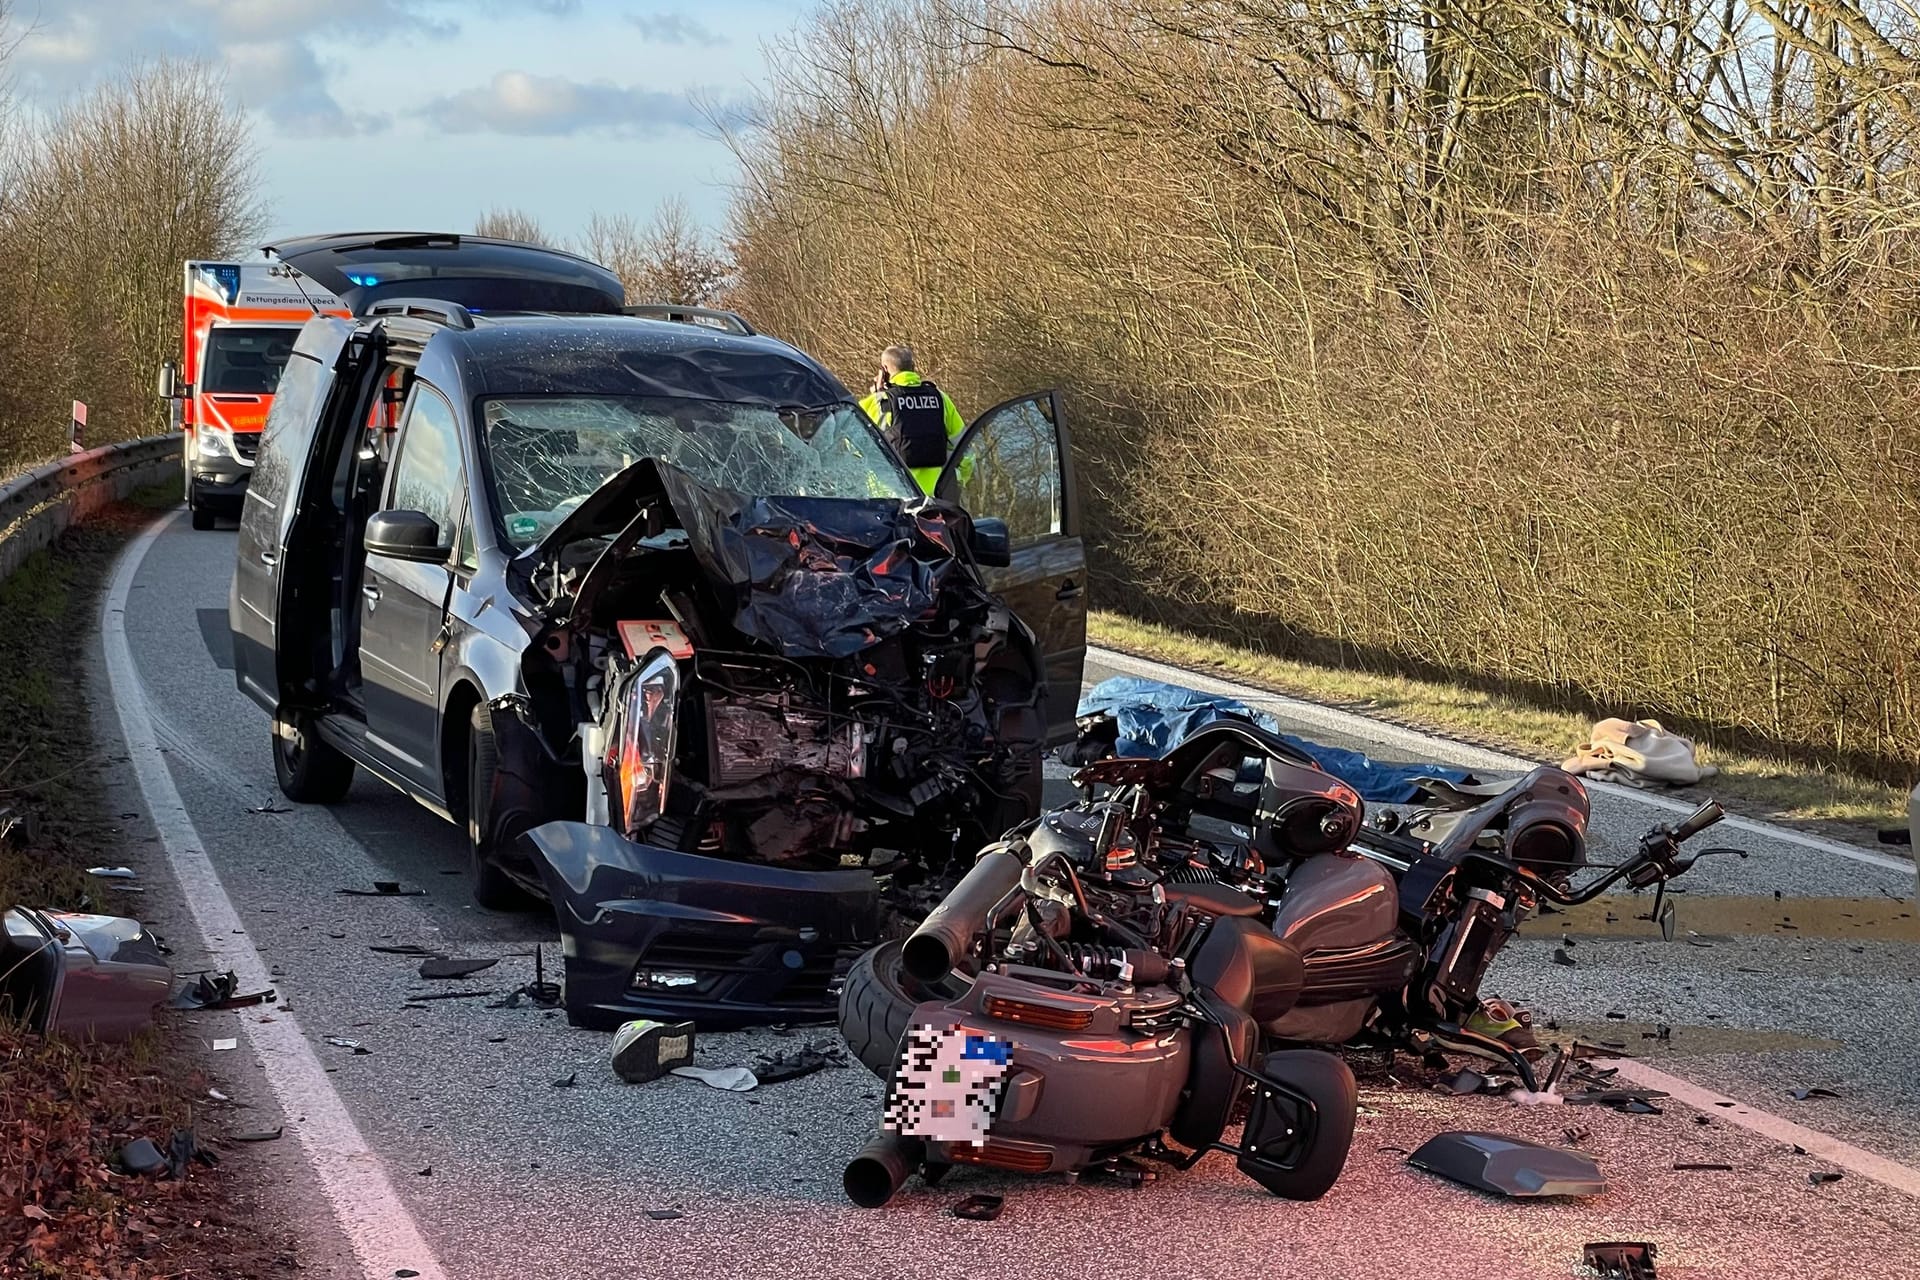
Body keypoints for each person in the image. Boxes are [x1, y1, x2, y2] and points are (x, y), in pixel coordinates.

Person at [858, 345, 966, 496]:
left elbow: (853, 449)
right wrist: (956, 479)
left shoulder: (877, 403)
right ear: (913, 367)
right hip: (937, 499)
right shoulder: (940, 398)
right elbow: (965, 449)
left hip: (891, 500)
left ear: (884, 370)